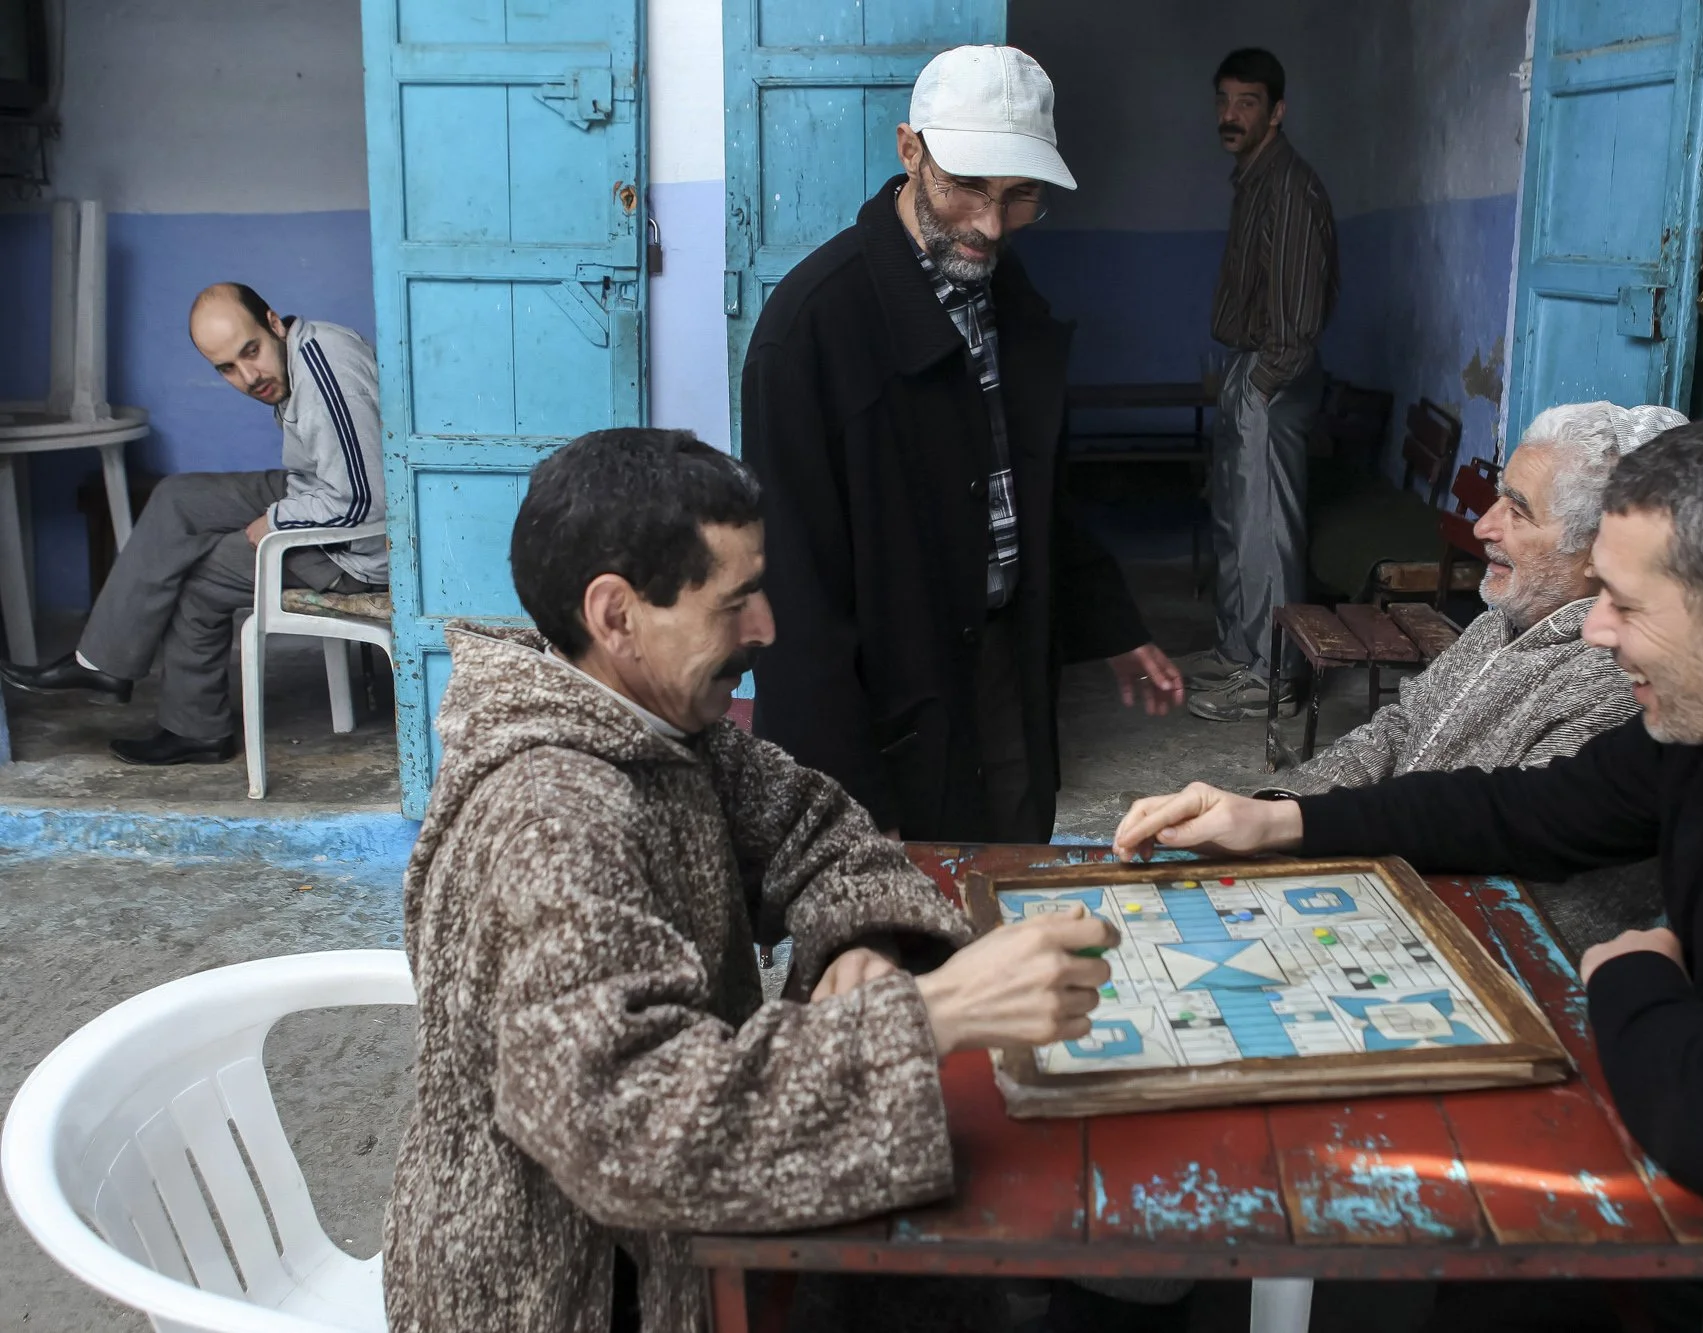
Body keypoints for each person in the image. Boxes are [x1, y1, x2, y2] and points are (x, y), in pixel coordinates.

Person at [1114, 415, 1703, 1332]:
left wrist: (1632, 972)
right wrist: (1278, 819)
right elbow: (1524, 809)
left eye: (1624, 602)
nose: (1600, 632)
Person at [383, 428, 1118, 1333]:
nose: (767, 627)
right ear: (617, 617)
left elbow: (820, 825)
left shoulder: (661, 730)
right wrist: (936, 1014)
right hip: (566, 1294)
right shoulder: (549, 818)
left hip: (677, 1253)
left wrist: (862, 937)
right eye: (735, 601)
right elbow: (627, 1125)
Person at [741, 44, 1183, 845]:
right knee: (894, 930)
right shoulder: (812, 330)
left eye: (1020, 198)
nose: (989, 224)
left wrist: (1110, 621)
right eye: (967, 187)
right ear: (910, 151)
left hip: (1002, 665)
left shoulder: (1009, 298)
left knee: (1007, 889)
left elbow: (1037, 491)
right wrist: (830, 817)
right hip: (881, 695)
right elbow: (796, 604)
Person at [0, 283, 385, 764]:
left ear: (272, 322)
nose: (249, 377)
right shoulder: (299, 352)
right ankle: (100, 662)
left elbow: (365, 500)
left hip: (358, 551)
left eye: (252, 352)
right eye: (227, 368)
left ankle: (196, 730)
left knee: (201, 574)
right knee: (179, 498)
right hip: (316, 490)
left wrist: (275, 521)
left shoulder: (328, 369)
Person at [1269, 402, 1686, 797]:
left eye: (1518, 512)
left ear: (1601, 548)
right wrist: (1287, 801)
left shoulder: (1606, 688)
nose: (1482, 527)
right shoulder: (1499, 622)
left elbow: (1495, 842)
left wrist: (1307, 829)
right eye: (1497, 498)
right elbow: (1401, 725)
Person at [1185, 48, 1339, 723]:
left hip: (1276, 377)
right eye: (1224, 100)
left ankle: (1274, 677)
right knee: (1236, 524)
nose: (1230, 114)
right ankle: (1239, 650)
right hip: (1250, 369)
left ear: (1276, 112)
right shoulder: (1253, 179)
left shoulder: (1290, 186)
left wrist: (1258, 386)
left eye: (1247, 102)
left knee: (1267, 533)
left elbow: (1298, 326)